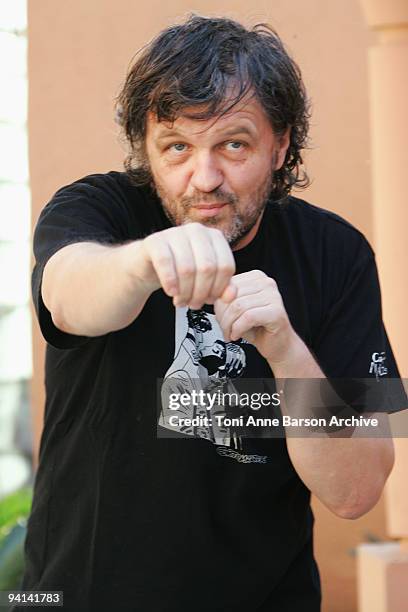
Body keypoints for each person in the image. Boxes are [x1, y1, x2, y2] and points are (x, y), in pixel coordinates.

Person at [17, 14, 407, 612]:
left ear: (280, 146)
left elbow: (356, 490)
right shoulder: (99, 212)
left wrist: (285, 349)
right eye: (176, 146)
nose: (204, 178)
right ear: (146, 152)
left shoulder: (337, 255)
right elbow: (67, 296)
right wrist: (144, 262)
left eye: (233, 144)